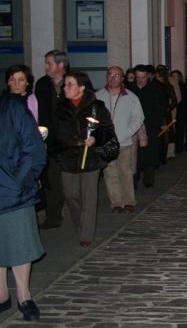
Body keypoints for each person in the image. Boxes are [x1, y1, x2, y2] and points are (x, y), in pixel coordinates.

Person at [51, 71, 114, 247]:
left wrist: (96, 139)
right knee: (70, 195)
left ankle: (86, 234)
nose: (65, 88)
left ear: (81, 87)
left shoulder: (96, 107)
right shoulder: (60, 108)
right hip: (68, 158)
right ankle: (81, 223)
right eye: (65, 85)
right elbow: (55, 134)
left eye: (70, 84)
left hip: (91, 158)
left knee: (88, 196)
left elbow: (108, 130)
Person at [0, 91, 47, 321]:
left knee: (20, 244)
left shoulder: (12, 107)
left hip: (12, 190)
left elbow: (34, 147)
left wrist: (20, 181)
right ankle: (0, 295)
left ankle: (23, 295)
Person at [96, 66, 145, 213]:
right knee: (110, 173)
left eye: (117, 75)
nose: (113, 78)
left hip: (124, 142)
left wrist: (127, 132)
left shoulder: (130, 97)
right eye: (110, 75)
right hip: (105, 142)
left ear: (122, 78)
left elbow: (138, 117)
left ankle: (129, 201)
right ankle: (116, 202)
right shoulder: (98, 96)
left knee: (125, 172)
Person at [34, 50, 69, 229]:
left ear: (60, 65)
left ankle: (74, 214)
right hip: (50, 142)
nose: (46, 67)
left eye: (49, 63)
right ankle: (53, 216)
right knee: (52, 180)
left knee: (72, 183)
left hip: (70, 142)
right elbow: (40, 113)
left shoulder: (74, 81)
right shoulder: (42, 84)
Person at [128, 65, 166, 188]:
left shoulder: (155, 89)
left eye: (143, 77)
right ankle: (133, 180)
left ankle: (148, 180)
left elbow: (161, 107)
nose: (140, 80)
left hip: (150, 125)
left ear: (147, 76)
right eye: (138, 77)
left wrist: (159, 123)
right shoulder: (130, 90)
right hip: (133, 127)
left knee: (149, 153)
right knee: (134, 155)